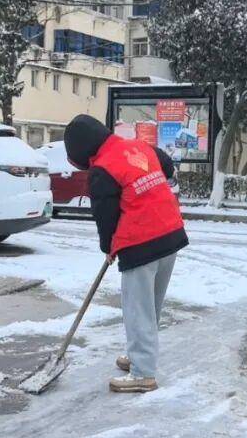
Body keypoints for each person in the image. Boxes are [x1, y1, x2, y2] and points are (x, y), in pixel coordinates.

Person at [63, 115, 189, 394]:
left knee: (137, 308)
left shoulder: (102, 169)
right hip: (171, 232)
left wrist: (108, 247)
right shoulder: (139, 147)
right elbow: (166, 167)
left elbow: (105, 215)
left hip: (141, 241)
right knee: (150, 306)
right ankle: (138, 355)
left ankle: (143, 372)